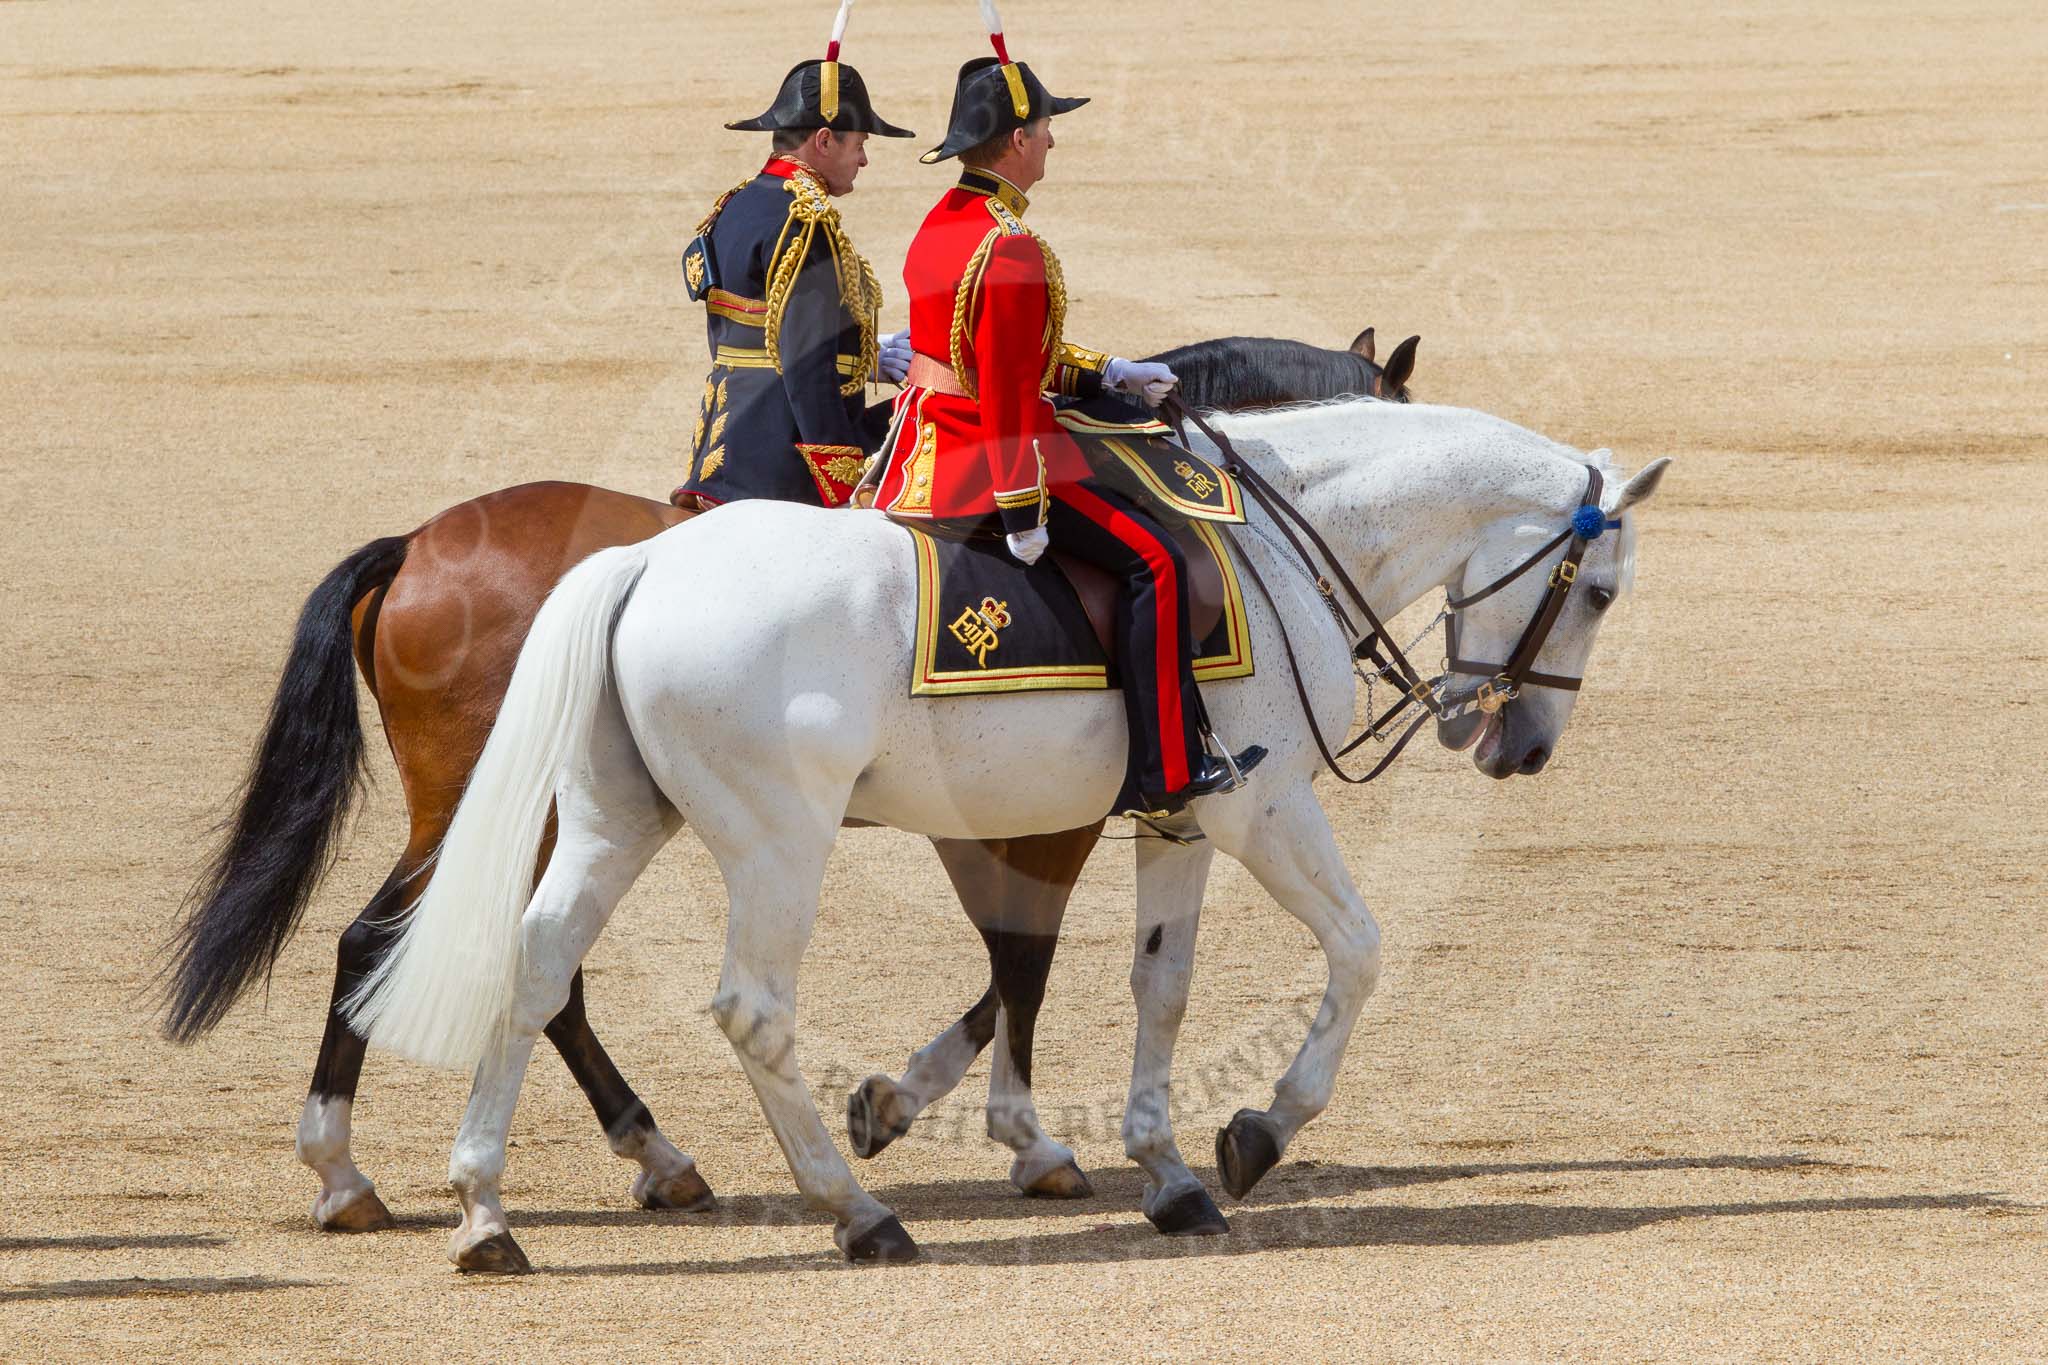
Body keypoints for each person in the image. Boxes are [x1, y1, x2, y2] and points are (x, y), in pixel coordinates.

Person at [872, 16, 1264, 811]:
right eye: (1047, 126)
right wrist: (1023, 508)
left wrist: (1109, 370)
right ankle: (1166, 770)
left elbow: (988, 348)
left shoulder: (946, 220)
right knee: (1154, 560)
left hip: (924, 437)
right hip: (984, 457)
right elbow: (1012, 389)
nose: (1054, 140)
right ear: (1017, 137)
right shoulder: (1010, 245)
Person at [674, 8, 916, 510]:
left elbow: (746, 338)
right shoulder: (805, 220)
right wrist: (843, 483)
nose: (864, 160)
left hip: (721, 457)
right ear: (823, 140)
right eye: (860, 143)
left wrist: (863, 349)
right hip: (781, 470)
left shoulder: (734, 205)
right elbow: (806, 368)